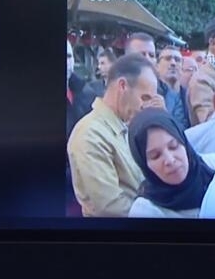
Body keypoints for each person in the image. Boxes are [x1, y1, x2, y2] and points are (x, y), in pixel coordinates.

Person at [67, 53, 159, 217]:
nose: (146, 106)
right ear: (122, 86)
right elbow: (110, 207)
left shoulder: (123, 126)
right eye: (144, 98)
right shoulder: (90, 134)